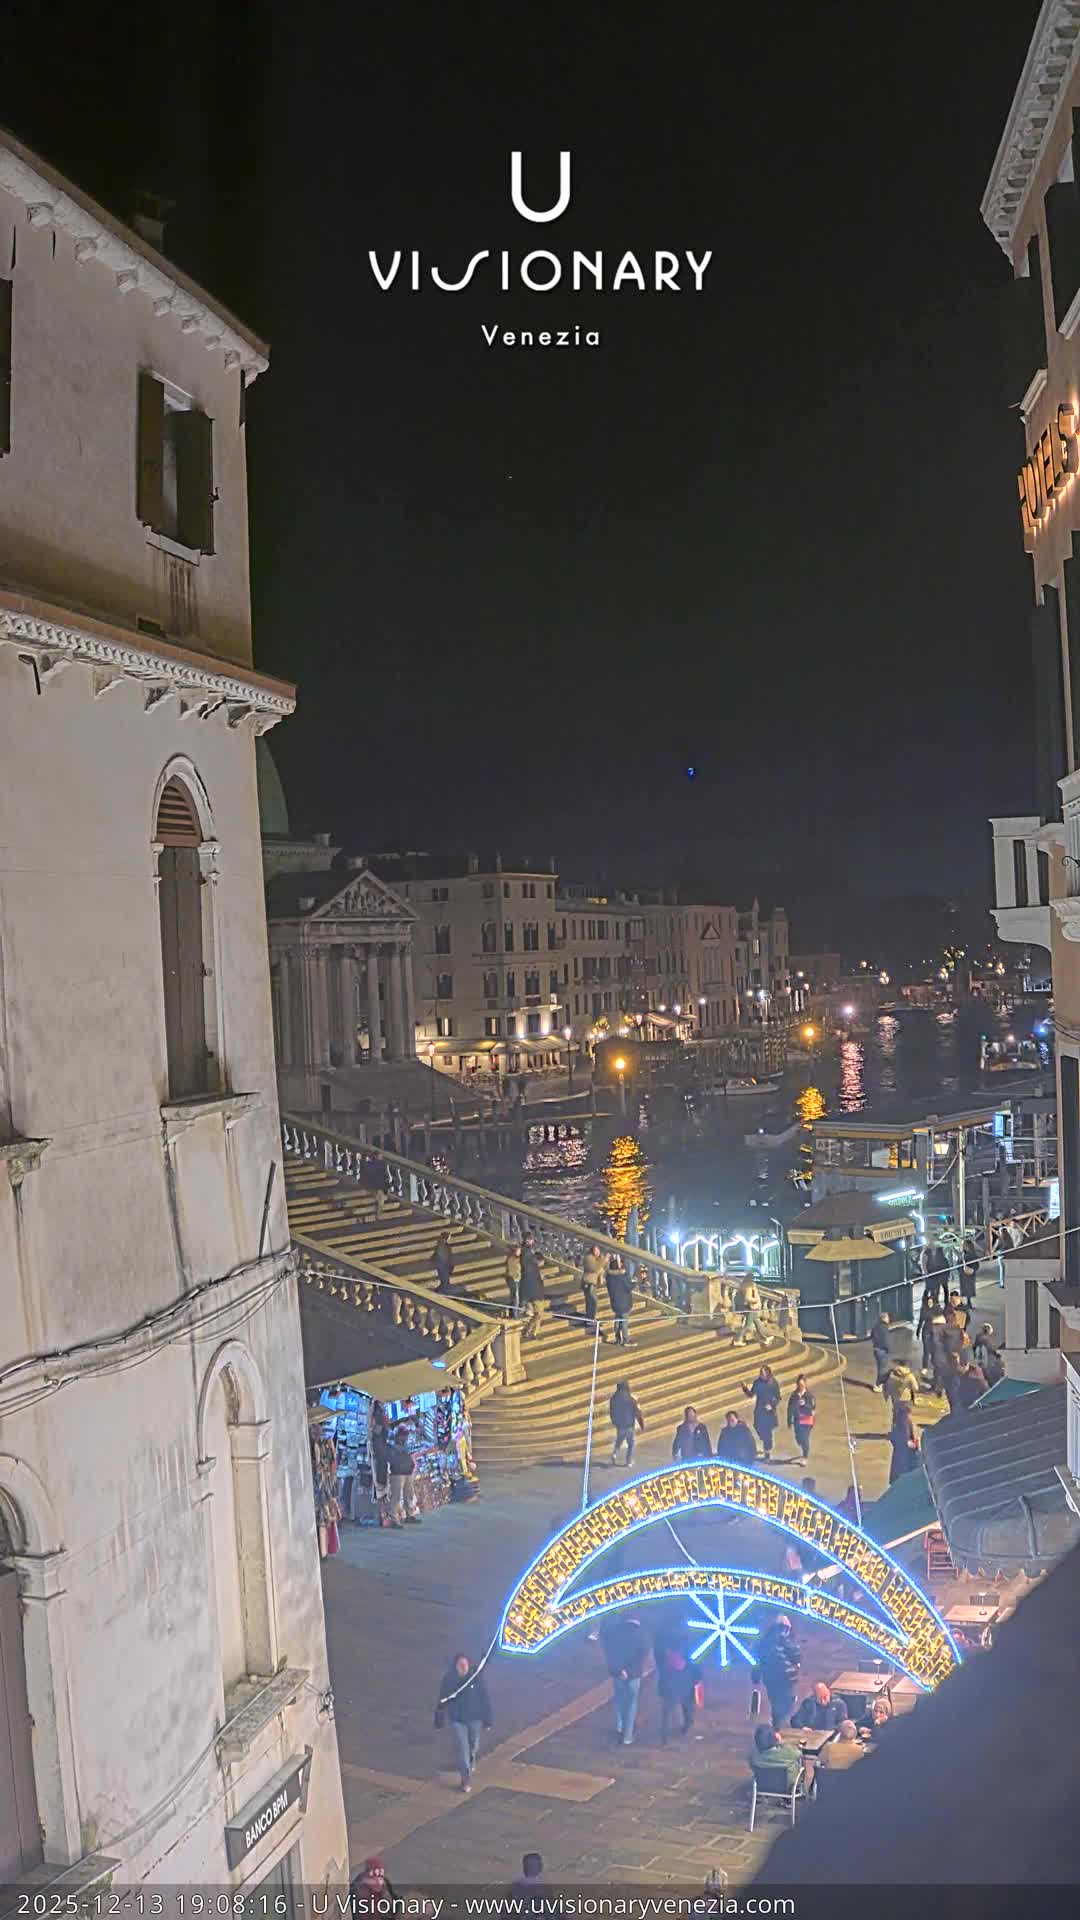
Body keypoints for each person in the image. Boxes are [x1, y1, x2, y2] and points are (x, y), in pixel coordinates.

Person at [434, 1652, 493, 1792]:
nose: (463, 1667)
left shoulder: (475, 1678)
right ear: (455, 1666)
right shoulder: (449, 1680)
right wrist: (439, 1719)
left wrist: (488, 1720)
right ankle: (465, 1779)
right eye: (460, 1665)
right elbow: (442, 1699)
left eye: (465, 1664)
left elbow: (484, 1698)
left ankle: (470, 1764)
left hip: (475, 1718)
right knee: (462, 1749)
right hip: (457, 1720)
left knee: (473, 1746)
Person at [601, 1611, 648, 1747]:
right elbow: (642, 1654)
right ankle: (627, 1736)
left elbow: (610, 1650)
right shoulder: (641, 1635)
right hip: (634, 1675)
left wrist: (619, 1669)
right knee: (631, 1704)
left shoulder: (615, 1632)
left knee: (619, 1700)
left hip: (618, 1673)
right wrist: (629, 1670)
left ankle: (619, 1726)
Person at [755, 1615, 801, 1729]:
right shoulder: (785, 1637)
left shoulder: (764, 1640)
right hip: (786, 1677)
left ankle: (776, 1726)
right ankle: (780, 1727)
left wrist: (756, 1677)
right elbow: (796, 1654)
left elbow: (758, 1661)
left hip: (770, 1678)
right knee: (786, 1703)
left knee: (775, 1702)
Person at [655, 1629, 697, 1743]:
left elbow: (660, 1666)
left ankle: (665, 1736)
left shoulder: (663, 1651)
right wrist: (696, 1680)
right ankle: (686, 1728)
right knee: (687, 1706)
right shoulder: (688, 1651)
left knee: (667, 1711)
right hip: (685, 1683)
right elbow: (695, 1668)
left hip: (668, 1684)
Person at [748, 1723, 803, 1793]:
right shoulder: (787, 1753)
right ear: (775, 1738)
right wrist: (781, 1742)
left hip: (763, 1785)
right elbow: (799, 1753)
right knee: (798, 1765)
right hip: (787, 1786)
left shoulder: (754, 1757)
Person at [742, 1365, 781, 1460]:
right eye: (760, 1373)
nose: (761, 1375)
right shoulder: (757, 1382)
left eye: (763, 1373)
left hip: (769, 1411)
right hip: (759, 1409)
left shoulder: (773, 1383)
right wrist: (745, 1388)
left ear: (768, 1374)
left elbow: (778, 1397)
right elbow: (751, 1395)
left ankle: (767, 1452)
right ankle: (766, 1442)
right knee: (757, 1426)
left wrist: (772, 1405)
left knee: (767, 1431)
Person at [387, 1424, 421, 1526]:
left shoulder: (405, 1446)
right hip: (397, 1473)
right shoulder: (392, 1446)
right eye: (403, 1435)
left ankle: (409, 1515)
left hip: (407, 1472)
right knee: (396, 1497)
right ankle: (394, 1518)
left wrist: (411, 1466)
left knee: (408, 1495)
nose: (405, 1437)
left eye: (406, 1435)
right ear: (398, 1435)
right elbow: (392, 1460)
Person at [608, 1380, 645, 1467]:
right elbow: (637, 1412)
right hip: (629, 1424)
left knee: (619, 1440)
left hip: (620, 1424)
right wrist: (641, 1424)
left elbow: (611, 1411)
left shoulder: (614, 1398)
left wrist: (614, 1421)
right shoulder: (631, 1398)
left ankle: (614, 1454)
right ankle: (628, 1461)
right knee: (630, 1444)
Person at [889, 1400, 920, 1484]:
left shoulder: (900, 1421)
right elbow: (906, 1441)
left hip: (900, 1454)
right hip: (904, 1456)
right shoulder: (904, 1420)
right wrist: (915, 1444)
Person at [520, 1241, 546, 1339]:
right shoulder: (533, 1269)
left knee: (536, 1315)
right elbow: (535, 1284)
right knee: (538, 1315)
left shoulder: (530, 1267)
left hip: (531, 1295)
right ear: (538, 1260)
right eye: (542, 1262)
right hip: (536, 1296)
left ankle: (532, 1332)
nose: (543, 1264)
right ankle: (530, 1331)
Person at [787, 1375, 816, 1461]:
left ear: (805, 1384)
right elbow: (790, 1408)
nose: (800, 1387)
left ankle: (805, 1456)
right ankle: (802, 1445)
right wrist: (789, 1420)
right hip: (797, 1420)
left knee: (804, 1438)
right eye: (799, 1385)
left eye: (802, 1385)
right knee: (799, 1439)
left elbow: (812, 1409)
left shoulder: (809, 1396)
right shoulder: (794, 1395)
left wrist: (805, 1405)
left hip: (807, 1420)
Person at [606, 1258, 634, 1347]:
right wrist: (635, 1283)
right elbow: (629, 1287)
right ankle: (625, 1340)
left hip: (615, 1303)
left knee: (617, 1320)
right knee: (624, 1322)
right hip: (624, 1303)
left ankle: (617, 1339)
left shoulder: (609, 1277)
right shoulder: (623, 1276)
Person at [735, 1275, 770, 1345]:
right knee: (748, 1324)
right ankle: (738, 1340)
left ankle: (765, 1338)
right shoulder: (748, 1287)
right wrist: (755, 1300)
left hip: (749, 1307)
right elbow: (747, 1298)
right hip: (749, 1307)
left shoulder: (744, 1285)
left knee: (757, 1322)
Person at [973, 1322, 1004, 1386]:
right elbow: (990, 1349)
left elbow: (975, 1348)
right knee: (991, 1377)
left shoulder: (978, 1338)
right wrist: (997, 1355)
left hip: (981, 1361)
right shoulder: (985, 1339)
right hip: (987, 1361)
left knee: (986, 1375)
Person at [869, 1312, 893, 1391]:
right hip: (882, 1350)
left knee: (881, 1368)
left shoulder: (876, 1326)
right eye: (888, 1318)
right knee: (882, 1369)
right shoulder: (884, 1327)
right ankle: (878, 1385)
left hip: (876, 1349)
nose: (889, 1319)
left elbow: (871, 1336)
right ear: (884, 1318)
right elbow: (886, 1340)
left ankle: (881, 1384)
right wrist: (888, 1349)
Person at [960, 1237, 980, 1308]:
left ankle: (967, 1303)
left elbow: (960, 1264)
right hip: (969, 1275)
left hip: (966, 1275)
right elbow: (977, 1265)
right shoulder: (971, 1254)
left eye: (963, 1245)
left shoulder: (966, 1254)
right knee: (968, 1289)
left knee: (966, 1289)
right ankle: (968, 1303)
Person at [505, 1243, 522, 1312]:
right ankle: (514, 1312)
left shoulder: (510, 1258)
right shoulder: (514, 1259)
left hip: (514, 1279)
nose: (520, 1252)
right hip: (514, 1279)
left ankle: (513, 1310)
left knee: (513, 1296)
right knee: (515, 1296)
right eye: (518, 1251)